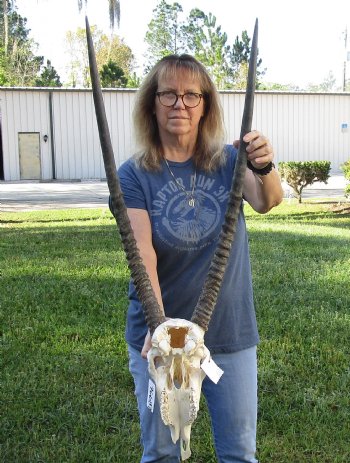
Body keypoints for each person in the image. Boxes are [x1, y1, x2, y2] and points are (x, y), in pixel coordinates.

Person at [117, 54, 284, 463]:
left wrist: (263, 164)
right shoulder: (134, 174)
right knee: (160, 452)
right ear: (152, 104)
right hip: (161, 338)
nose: (180, 104)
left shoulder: (229, 160)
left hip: (228, 333)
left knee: (240, 452)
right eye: (168, 94)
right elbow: (142, 253)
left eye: (192, 95)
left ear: (205, 104)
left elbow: (268, 200)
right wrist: (160, 330)